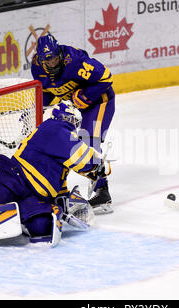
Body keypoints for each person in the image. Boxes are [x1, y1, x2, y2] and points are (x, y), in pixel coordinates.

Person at [0, 101, 109, 245]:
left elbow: (62, 180)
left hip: (34, 195)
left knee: (42, 227)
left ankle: (18, 217)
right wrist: (99, 165)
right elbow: (82, 158)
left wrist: (63, 205)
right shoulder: (55, 129)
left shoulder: (60, 142)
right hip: (15, 180)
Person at [31, 32, 115, 214]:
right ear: (40, 59)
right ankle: (57, 191)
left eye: (54, 58)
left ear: (59, 53)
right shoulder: (36, 67)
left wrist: (84, 96)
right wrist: (37, 108)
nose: (52, 63)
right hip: (73, 108)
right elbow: (47, 92)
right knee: (61, 146)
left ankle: (103, 191)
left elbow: (106, 77)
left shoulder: (75, 61)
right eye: (48, 61)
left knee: (89, 143)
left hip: (100, 101)